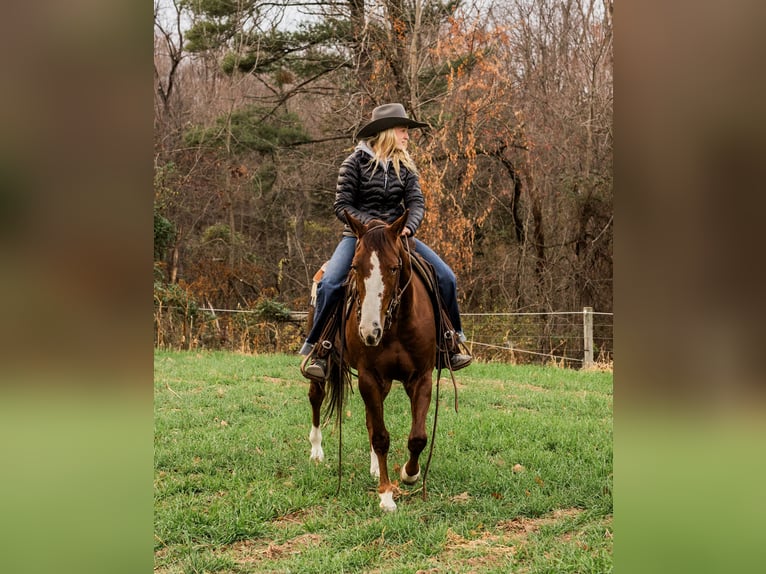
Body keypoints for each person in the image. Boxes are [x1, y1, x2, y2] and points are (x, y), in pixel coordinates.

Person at [299, 103, 472, 378]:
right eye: (403, 131)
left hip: (397, 238)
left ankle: (449, 342)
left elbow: (416, 203)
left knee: (446, 277)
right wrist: (370, 229)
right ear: (387, 132)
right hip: (359, 238)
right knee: (330, 282)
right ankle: (321, 349)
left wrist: (408, 227)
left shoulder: (405, 165)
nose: (407, 136)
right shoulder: (353, 163)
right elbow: (341, 204)